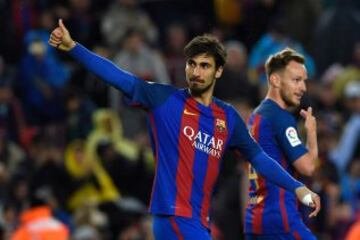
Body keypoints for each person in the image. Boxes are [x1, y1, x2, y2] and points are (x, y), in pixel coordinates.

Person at [48, 19, 320, 240]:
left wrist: (297, 188)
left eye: (205, 66)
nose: (196, 72)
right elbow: (118, 77)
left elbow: (260, 159)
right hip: (173, 218)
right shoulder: (164, 100)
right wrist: (74, 48)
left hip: (199, 221)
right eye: (192, 64)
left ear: (218, 72)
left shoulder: (227, 117)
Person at [245, 48, 319, 239]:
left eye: (304, 80)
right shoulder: (280, 118)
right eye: (296, 80)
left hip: (255, 219)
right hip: (280, 219)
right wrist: (311, 133)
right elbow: (308, 167)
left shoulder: (255, 117)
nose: (303, 87)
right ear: (275, 80)